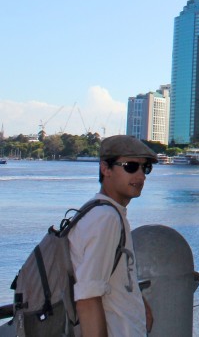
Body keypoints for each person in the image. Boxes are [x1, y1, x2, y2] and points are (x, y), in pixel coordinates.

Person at [69, 135, 157, 336]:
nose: (141, 176)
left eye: (145, 168)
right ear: (105, 169)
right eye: (130, 166)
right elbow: (87, 298)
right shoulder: (106, 218)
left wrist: (141, 306)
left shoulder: (100, 212)